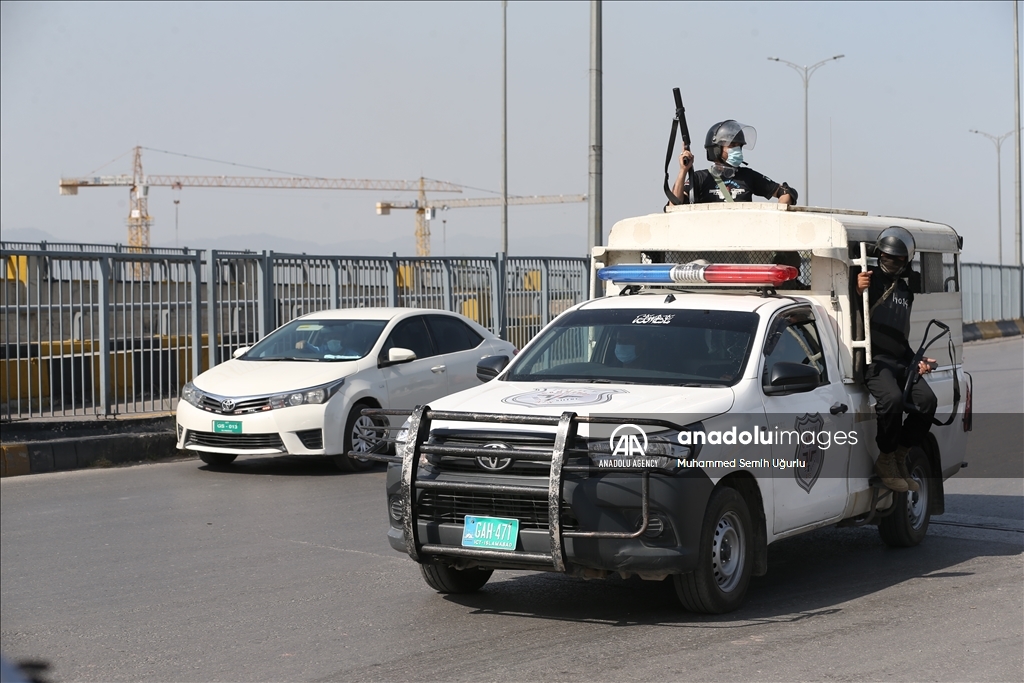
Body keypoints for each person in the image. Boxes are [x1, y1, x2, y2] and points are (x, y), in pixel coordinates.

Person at [856, 227, 936, 492]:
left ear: (906, 261)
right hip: (874, 359)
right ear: (878, 254)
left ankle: (899, 455)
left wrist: (918, 361)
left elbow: (901, 336)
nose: (892, 261)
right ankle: (886, 458)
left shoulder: (904, 289)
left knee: (927, 401)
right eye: (887, 256)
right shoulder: (869, 280)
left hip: (899, 358)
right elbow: (850, 306)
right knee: (892, 398)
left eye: (899, 258)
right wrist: (857, 290)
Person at [670, 120, 798, 205]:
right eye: (732, 145)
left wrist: (775, 218)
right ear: (716, 149)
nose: (737, 149)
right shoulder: (700, 178)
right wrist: (683, 171)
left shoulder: (748, 176)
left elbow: (786, 193)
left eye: (739, 146)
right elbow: (674, 203)